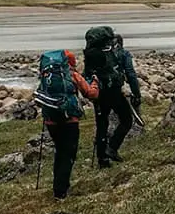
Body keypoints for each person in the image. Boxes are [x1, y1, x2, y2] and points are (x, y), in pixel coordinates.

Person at [37, 48, 99, 199]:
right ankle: (61, 191)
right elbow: (91, 94)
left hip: (50, 120)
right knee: (68, 154)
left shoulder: (47, 75)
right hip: (69, 120)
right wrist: (95, 82)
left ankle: (58, 185)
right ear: (70, 62)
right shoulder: (73, 75)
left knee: (59, 151)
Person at [83, 26, 142, 167]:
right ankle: (112, 148)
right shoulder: (117, 53)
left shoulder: (90, 54)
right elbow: (130, 74)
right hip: (114, 91)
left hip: (99, 94)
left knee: (102, 125)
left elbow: (86, 74)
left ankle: (102, 160)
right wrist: (136, 93)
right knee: (126, 119)